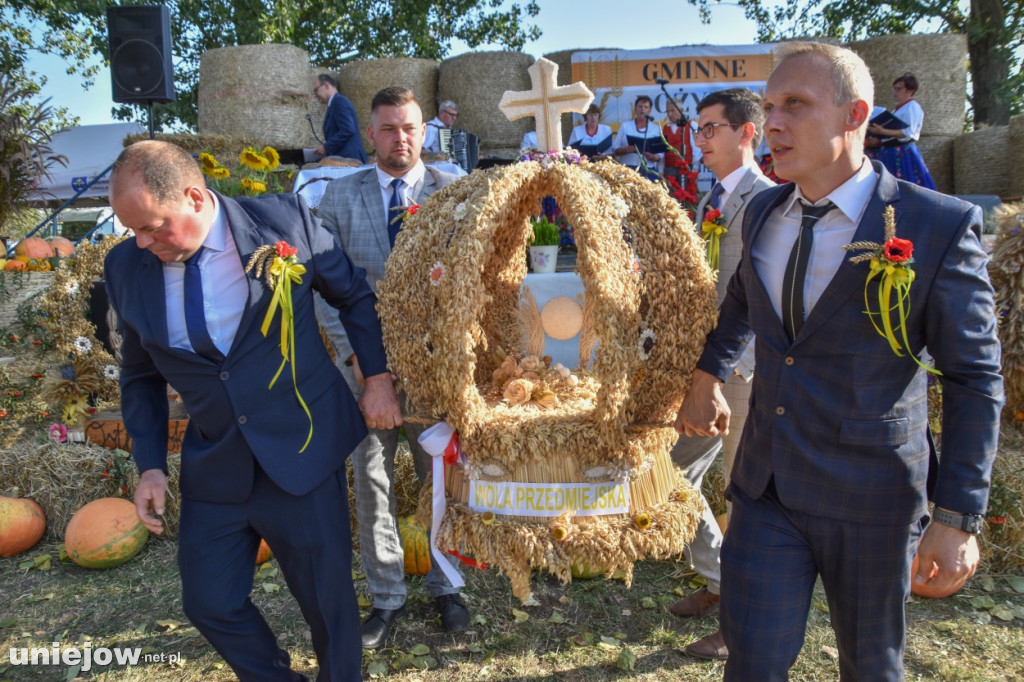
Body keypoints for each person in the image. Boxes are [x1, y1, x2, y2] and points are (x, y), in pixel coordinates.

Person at [675, 42, 1002, 680]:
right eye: (770, 107)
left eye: (794, 104)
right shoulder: (764, 210)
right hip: (766, 487)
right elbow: (741, 304)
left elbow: (974, 378)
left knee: (870, 667)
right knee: (753, 663)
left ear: (856, 115)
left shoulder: (935, 226)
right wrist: (706, 376)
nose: (772, 123)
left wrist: (958, 516)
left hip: (873, 495)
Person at [105, 139, 402, 681]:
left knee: (328, 608)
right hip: (216, 461)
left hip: (301, 449)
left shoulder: (283, 222)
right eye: (133, 231)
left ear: (195, 197)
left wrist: (376, 379)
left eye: (153, 227)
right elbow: (139, 374)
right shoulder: (127, 266)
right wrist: (148, 463)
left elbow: (354, 295)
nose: (143, 242)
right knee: (209, 601)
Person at [315, 86, 471, 650]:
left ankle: (446, 585)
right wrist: (358, 359)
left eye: (408, 127)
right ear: (371, 134)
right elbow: (320, 289)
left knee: (443, 481)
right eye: (387, 129)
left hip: (436, 370)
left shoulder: (456, 194)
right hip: (363, 369)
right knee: (371, 482)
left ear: (424, 130)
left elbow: (474, 282)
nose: (399, 138)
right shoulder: (338, 197)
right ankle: (385, 598)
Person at [668, 87, 774, 662]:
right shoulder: (715, 194)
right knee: (669, 473)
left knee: (743, 494)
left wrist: (729, 370)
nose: (700, 140)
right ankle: (717, 575)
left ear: (746, 133)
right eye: (700, 129)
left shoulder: (765, 199)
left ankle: (741, 628)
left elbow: (764, 299)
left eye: (711, 129)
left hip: (741, 372)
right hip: (707, 367)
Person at [867, 72, 936, 190]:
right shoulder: (897, 109)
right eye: (894, 88)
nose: (895, 92)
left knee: (907, 185)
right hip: (890, 150)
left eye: (898, 89)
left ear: (910, 90)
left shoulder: (912, 107)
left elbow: (908, 132)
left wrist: (882, 131)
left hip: (903, 152)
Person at [280, 75, 368, 166]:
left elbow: (348, 129)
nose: (315, 95)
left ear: (326, 85)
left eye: (316, 90)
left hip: (350, 160)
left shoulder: (339, 102)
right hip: (345, 160)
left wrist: (326, 147)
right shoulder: (333, 105)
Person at [613, 95, 664, 176]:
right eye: (640, 106)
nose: (642, 109)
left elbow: (661, 153)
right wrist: (624, 150)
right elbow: (615, 148)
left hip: (649, 169)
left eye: (646, 107)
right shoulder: (625, 126)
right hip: (627, 168)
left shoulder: (656, 129)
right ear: (635, 109)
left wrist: (654, 157)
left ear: (650, 110)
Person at [661, 100, 691, 180]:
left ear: (681, 111)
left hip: (687, 168)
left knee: (687, 192)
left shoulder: (690, 125)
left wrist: (693, 170)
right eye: (667, 111)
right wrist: (661, 171)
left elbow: (696, 151)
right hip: (669, 169)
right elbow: (663, 152)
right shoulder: (664, 128)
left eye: (672, 110)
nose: (670, 114)